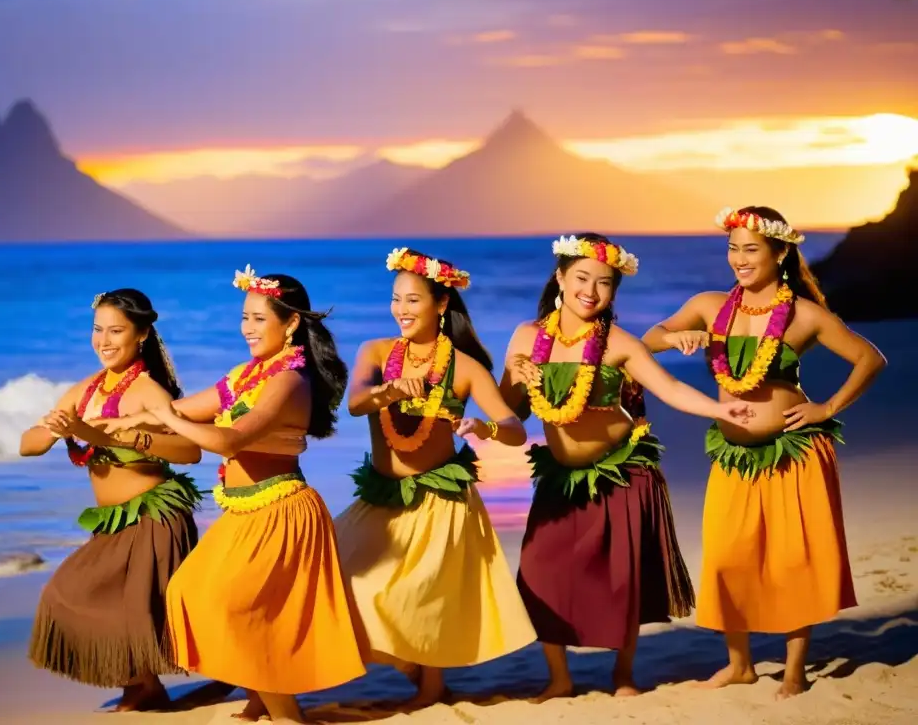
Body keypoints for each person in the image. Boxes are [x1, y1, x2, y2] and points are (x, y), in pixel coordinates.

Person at [642, 206, 886, 699]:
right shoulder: (710, 305)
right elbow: (649, 339)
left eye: (750, 248)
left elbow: (869, 358)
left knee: (793, 561)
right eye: (732, 247)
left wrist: (828, 406)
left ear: (780, 252)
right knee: (730, 558)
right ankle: (741, 665)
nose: (738, 258)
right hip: (734, 457)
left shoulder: (805, 314)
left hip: (793, 454)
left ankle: (795, 669)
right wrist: (676, 336)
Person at [499, 233, 754, 699]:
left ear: (615, 290)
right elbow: (510, 412)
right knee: (539, 570)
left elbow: (670, 389)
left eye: (604, 283)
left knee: (621, 580)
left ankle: (623, 675)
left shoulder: (618, 343)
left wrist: (720, 410)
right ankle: (559, 678)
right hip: (561, 478)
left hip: (621, 473)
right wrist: (514, 377)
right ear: (559, 277)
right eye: (581, 278)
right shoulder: (526, 338)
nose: (591, 291)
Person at [106, 266, 366, 723]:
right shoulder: (247, 374)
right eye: (244, 317)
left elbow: (229, 441)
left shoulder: (289, 380)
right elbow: (185, 408)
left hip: (281, 510)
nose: (246, 327)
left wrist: (167, 421)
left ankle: (286, 715)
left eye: (258, 319)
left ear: (289, 325)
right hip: (245, 511)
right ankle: (258, 699)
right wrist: (122, 422)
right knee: (189, 590)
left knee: (238, 607)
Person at [334, 247, 537, 709]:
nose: (401, 310)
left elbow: (514, 427)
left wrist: (484, 428)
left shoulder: (465, 368)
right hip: (383, 496)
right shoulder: (377, 352)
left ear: (440, 304)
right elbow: (355, 402)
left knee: (426, 597)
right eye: (396, 300)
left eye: (412, 300)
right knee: (344, 580)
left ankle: (432, 688)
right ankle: (409, 667)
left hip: (440, 500)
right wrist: (388, 390)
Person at [20, 288, 202, 712]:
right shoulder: (84, 391)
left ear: (140, 335)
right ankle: (141, 684)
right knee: (66, 595)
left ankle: (143, 686)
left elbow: (190, 451)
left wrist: (120, 435)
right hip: (113, 522)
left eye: (115, 330)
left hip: (154, 518)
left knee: (126, 612)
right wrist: (55, 430)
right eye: (97, 329)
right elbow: (27, 445)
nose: (103, 339)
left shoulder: (147, 391)